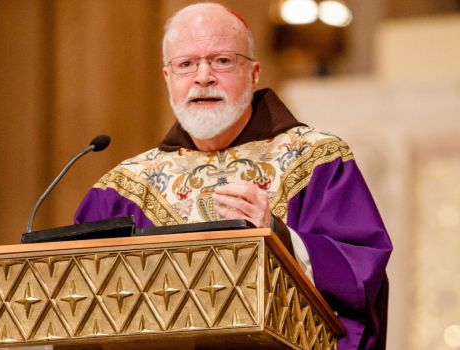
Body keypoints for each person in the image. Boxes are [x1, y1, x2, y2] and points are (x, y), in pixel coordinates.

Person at [75, 3, 392, 349]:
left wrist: (278, 233)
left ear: (254, 73)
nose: (203, 76)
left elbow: (362, 274)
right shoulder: (121, 190)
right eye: (186, 64)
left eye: (222, 61)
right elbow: (75, 299)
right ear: (168, 78)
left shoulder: (316, 161)